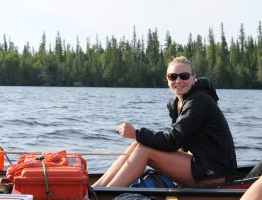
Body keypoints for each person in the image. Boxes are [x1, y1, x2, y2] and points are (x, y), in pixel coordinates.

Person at [92, 56, 237, 187]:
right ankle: (96, 189)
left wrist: (136, 133)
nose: (178, 81)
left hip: (215, 174)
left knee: (144, 148)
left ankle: (107, 193)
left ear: (194, 78)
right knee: (138, 144)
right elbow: (180, 144)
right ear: (167, 80)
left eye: (184, 76)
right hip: (201, 166)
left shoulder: (199, 101)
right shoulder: (177, 103)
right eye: (173, 76)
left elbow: (172, 141)